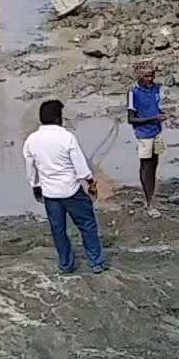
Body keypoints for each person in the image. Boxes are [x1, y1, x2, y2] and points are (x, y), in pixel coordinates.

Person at [23, 99, 108, 275]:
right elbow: (80, 166)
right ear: (58, 118)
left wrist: (35, 186)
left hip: (50, 194)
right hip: (71, 191)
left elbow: (30, 169)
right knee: (87, 225)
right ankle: (96, 262)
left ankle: (66, 264)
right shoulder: (66, 137)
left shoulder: (31, 140)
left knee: (58, 230)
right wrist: (90, 182)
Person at [125, 61, 164, 216]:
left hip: (157, 131)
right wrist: (154, 117)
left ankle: (151, 197)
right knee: (146, 166)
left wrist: (163, 115)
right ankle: (149, 203)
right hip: (144, 134)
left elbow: (155, 107)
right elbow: (131, 119)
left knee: (154, 164)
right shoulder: (133, 93)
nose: (150, 78)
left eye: (152, 75)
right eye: (147, 76)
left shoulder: (155, 89)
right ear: (140, 77)